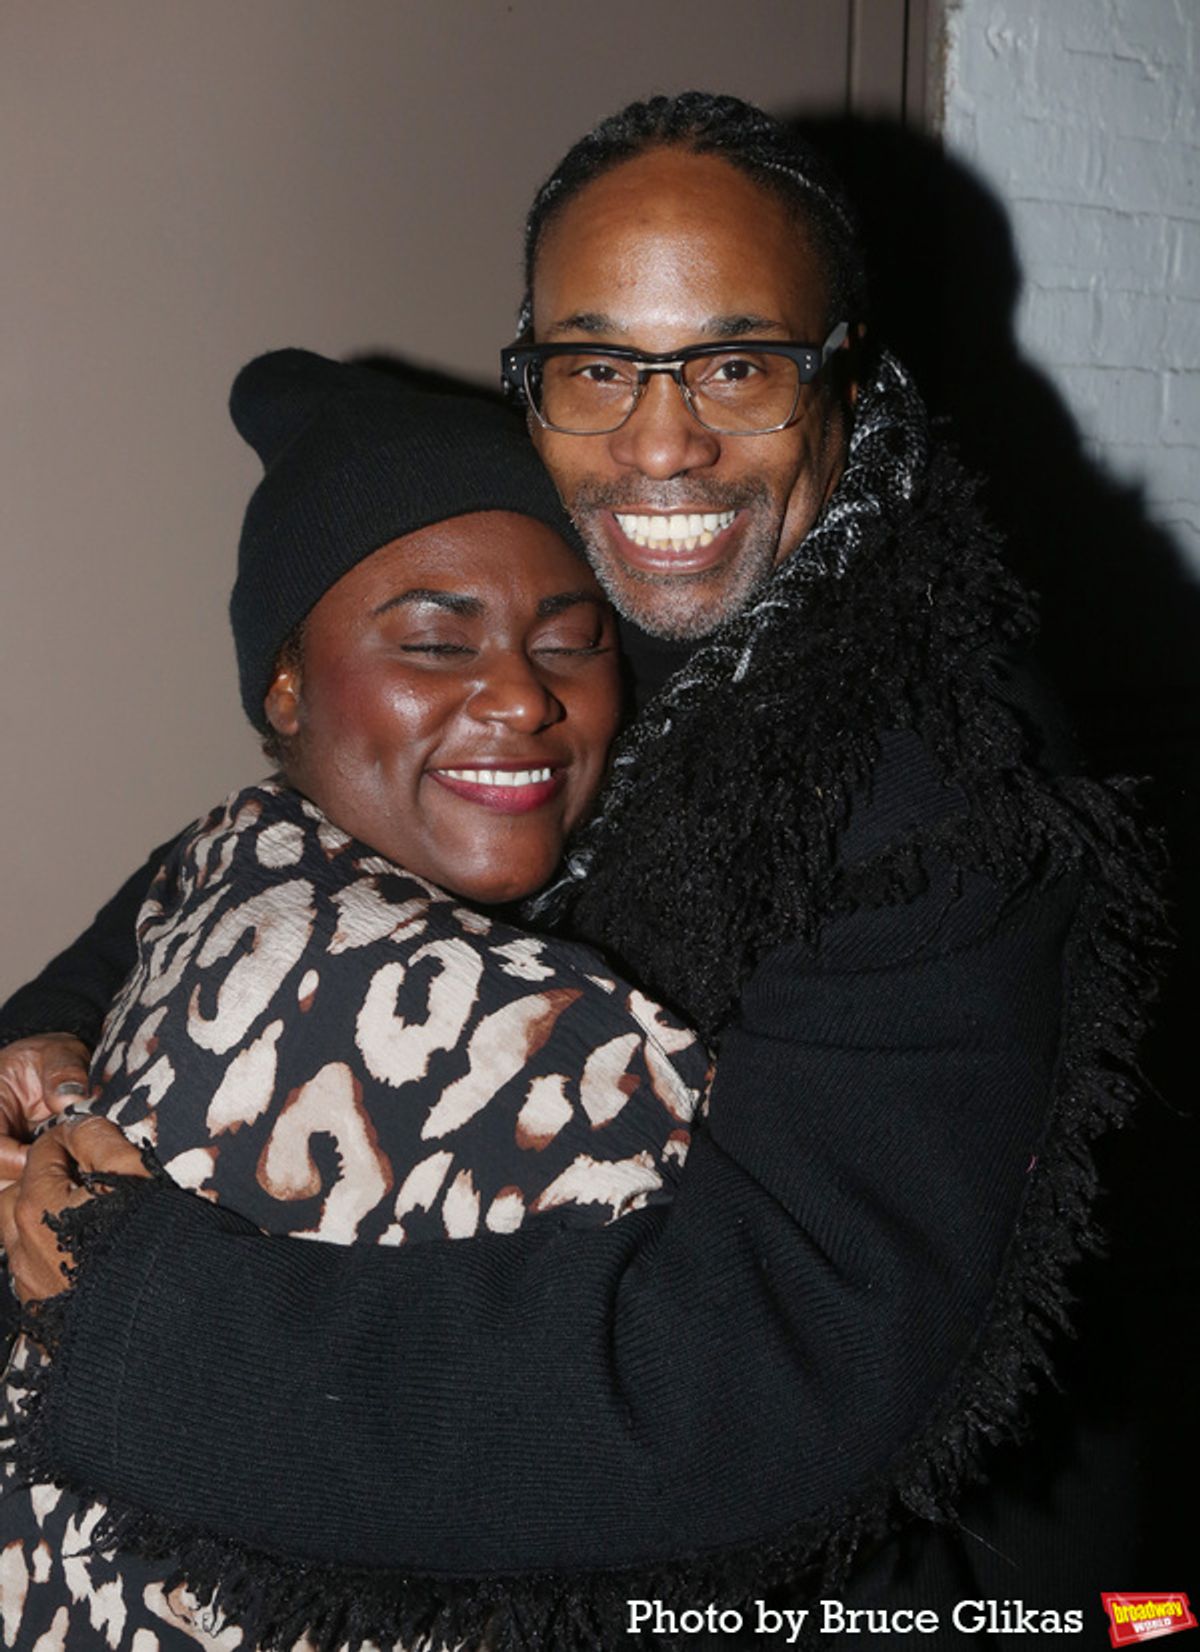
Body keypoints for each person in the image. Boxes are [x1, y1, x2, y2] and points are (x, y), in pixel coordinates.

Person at [0, 94, 1160, 1651]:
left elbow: (763, 1380)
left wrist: (148, 1323)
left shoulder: (937, 787)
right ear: (533, 384)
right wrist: (51, 1034)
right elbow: (266, 847)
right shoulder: (646, 607)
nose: (661, 440)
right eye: (599, 366)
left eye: (736, 364)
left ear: (848, 380)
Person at [0, 349, 710, 1649]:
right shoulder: (230, 853)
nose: (522, 694)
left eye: (570, 640)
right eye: (438, 640)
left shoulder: (624, 999)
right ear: (284, 685)